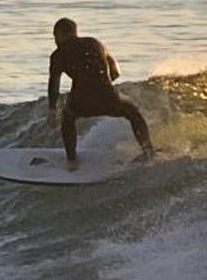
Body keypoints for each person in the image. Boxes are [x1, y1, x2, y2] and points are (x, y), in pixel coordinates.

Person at [46, 16, 155, 169]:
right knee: (133, 113)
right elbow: (116, 73)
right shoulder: (94, 43)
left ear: (61, 34)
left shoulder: (58, 55)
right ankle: (148, 151)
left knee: (68, 117)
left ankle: (72, 160)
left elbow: (54, 83)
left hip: (81, 101)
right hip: (108, 98)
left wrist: (52, 108)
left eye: (55, 36)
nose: (55, 41)